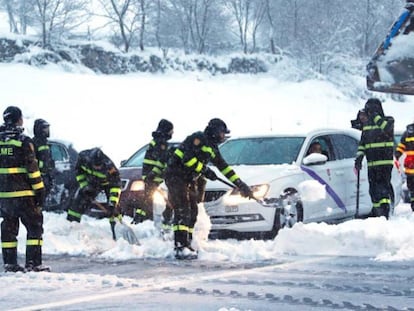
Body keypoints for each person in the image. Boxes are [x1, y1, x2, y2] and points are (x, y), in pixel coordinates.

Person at [165, 118, 253, 260]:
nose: (223, 136)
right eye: (222, 133)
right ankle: (180, 246)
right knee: (183, 209)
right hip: (175, 176)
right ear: (215, 131)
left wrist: (241, 185)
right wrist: (205, 170)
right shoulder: (197, 138)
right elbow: (187, 159)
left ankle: (187, 243)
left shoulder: (212, 148)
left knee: (193, 211)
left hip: (188, 179)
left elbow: (224, 167)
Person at [0, 106, 49, 272]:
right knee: (35, 226)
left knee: (9, 228)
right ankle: (34, 263)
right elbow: (33, 170)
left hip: (4, 197)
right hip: (24, 195)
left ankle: (10, 263)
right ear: (18, 119)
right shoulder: (23, 141)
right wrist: (40, 191)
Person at [354, 98, 395, 219]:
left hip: (385, 163)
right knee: (373, 190)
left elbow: (386, 128)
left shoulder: (388, 120)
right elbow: (363, 143)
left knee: (383, 189)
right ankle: (377, 211)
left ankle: (385, 212)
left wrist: (376, 116)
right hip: (372, 163)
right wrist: (359, 158)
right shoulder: (367, 125)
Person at [132, 119, 174, 227]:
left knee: (147, 200)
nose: (172, 133)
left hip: (149, 175)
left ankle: (139, 221)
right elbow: (162, 161)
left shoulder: (155, 141)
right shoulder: (161, 143)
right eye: (171, 131)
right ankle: (162, 224)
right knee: (164, 201)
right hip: (155, 176)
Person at [66, 147, 121, 223]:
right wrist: (85, 187)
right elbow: (79, 173)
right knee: (78, 202)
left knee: (114, 208)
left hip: (107, 183)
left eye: (99, 166)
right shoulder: (83, 159)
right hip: (91, 182)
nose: (98, 168)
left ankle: (117, 225)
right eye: (96, 165)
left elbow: (116, 186)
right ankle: (72, 222)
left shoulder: (110, 167)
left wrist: (113, 203)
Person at [33, 119, 55, 198]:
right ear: (40, 129)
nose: (47, 130)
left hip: (46, 176)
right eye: (45, 128)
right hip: (39, 176)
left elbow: (47, 158)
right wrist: (43, 166)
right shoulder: (34, 142)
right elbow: (32, 161)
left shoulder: (45, 142)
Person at [395, 121, 414, 211]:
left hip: (410, 166)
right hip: (410, 166)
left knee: (412, 188)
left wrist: (397, 155)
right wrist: (397, 156)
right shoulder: (408, 132)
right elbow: (401, 147)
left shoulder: (408, 132)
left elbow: (401, 147)